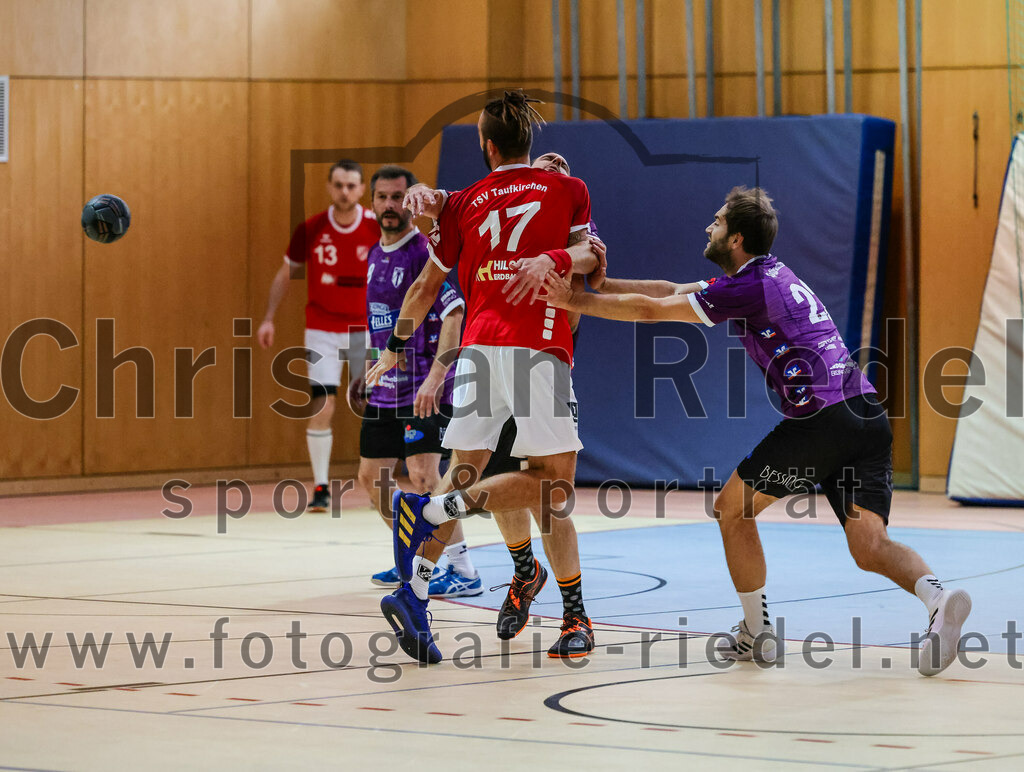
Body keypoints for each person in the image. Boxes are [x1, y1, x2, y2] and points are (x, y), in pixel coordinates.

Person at [541, 186, 973, 677]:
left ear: (737, 238)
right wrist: (604, 283)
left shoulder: (747, 286)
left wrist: (571, 298)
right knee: (869, 546)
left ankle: (757, 634)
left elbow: (649, 311)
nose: (709, 226)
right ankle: (939, 598)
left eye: (718, 221)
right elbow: (668, 290)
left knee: (731, 509)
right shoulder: (767, 275)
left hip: (823, 417)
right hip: (866, 413)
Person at [366, 91, 601, 664]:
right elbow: (591, 255)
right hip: (539, 346)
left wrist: (396, 348)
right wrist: (558, 260)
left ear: (486, 146)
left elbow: (425, 287)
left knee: (468, 473)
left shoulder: (464, 203)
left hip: (476, 350)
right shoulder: (567, 189)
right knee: (553, 486)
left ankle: (415, 589)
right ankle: (571, 614)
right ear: (531, 144)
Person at [354, 165, 480, 597]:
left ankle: (462, 570)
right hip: (385, 388)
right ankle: (411, 559)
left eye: (397, 197)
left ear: (410, 202)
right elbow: (380, 326)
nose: (390, 205)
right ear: (371, 202)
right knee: (370, 479)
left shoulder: (422, 251)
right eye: (382, 197)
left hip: (423, 390)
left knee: (426, 476)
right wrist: (372, 367)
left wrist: (436, 377)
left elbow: (455, 313)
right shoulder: (374, 254)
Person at [257, 160, 380, 512]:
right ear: (329, 187)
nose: (345, 192)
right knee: (323, 405)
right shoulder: (312, 228)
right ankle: (321, 487)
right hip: (322, 329)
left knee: (369, 405)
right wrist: (269, 318)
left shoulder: (375, 226)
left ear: (361, 190)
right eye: (339, 185)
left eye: (351, 185)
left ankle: (376, 483)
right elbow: (285, 274)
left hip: (363, 330)